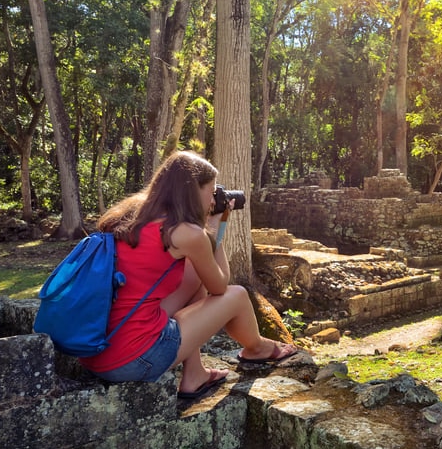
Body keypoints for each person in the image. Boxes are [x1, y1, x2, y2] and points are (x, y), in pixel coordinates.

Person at [79, 151, 300, 400]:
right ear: (193, 191)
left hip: (95, 352)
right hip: (135, 359)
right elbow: (220, 286)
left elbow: (195, 278)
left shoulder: (131, 215)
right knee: (237, 295)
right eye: (212, 191)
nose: (212, 199)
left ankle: (195, 375)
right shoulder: (186, 233)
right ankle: (257, 348)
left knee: (194, 278)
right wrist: (217, 224)